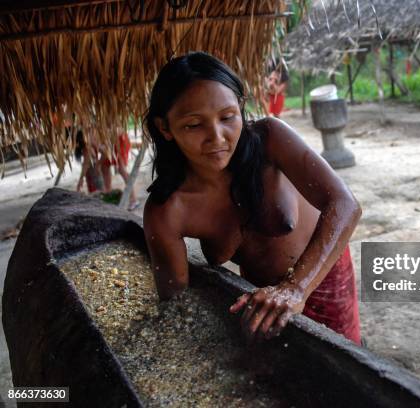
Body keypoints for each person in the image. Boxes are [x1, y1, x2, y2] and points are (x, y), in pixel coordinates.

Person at [143, 52, 362, 344]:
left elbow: (345, 205)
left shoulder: (269, 140)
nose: (217, 137)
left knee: (347, 361)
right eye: (194, 125)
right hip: (263, 299)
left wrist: (296, 288)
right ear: (165, 127)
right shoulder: (167, 210)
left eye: (227, 117)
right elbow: (176, 301)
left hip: (322, 275)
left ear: (241, 107)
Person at [99, 129, 139, 210]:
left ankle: (133, 199)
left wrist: (106, 144)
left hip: (120, 140)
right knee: (104, 166)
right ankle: (108, 192)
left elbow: (118, 129)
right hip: (110, 142)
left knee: (121, 169)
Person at [75, 129, 104, 194]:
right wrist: (98, 163)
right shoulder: (91, 145)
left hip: (93, 175)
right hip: (95, 173)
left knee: (97, 194)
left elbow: (86, 164)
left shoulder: (87, 148)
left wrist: (81, 179)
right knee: (99, 193)